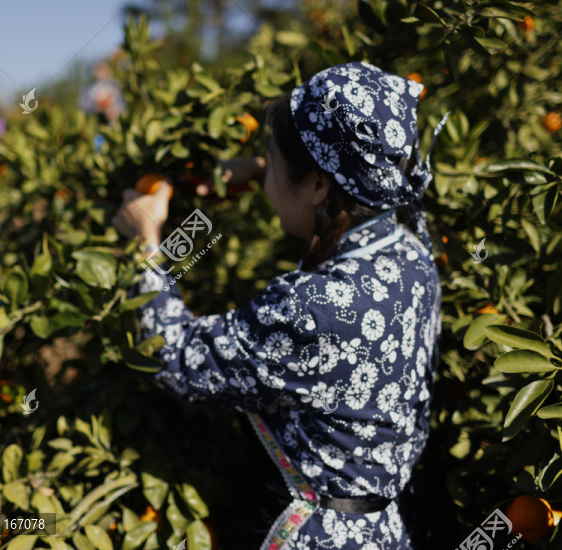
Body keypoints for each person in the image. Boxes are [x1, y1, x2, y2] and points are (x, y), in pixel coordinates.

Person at [112, 62, 446, 550]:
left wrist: (147, 243)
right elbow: (339, 192)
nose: (265, 168)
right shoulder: (411, 248)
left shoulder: (311, 309)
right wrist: (269, 170)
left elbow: (174, 356)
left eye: (271, 155)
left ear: (317, 185)